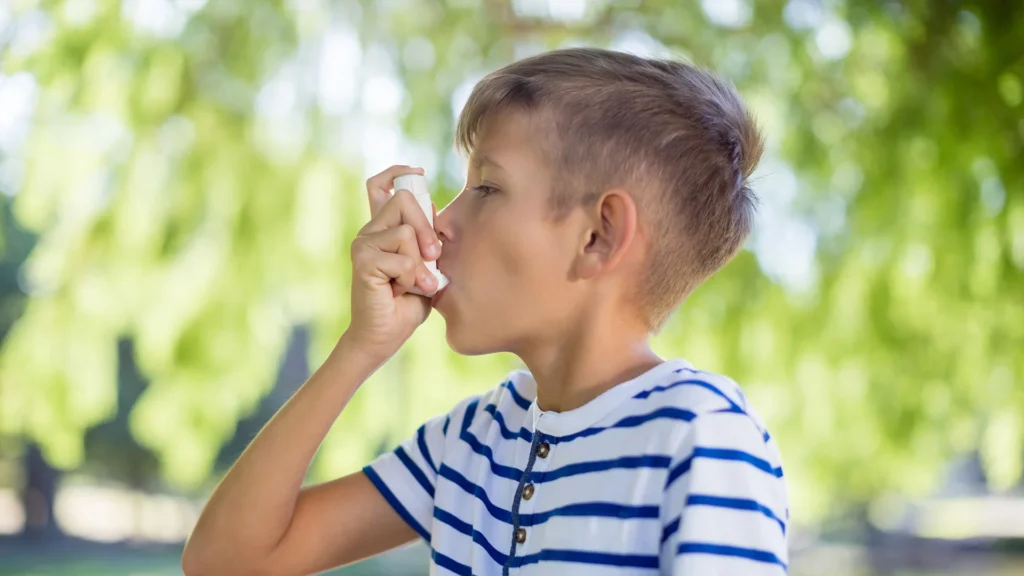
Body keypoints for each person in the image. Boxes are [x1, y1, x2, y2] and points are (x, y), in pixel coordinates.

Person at [182, 47, 788, 576]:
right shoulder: (471, 440)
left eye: (487, 187)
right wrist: (361, 348)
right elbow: (227, 561)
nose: (441, 223)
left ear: (598, 236)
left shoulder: (702, 435)